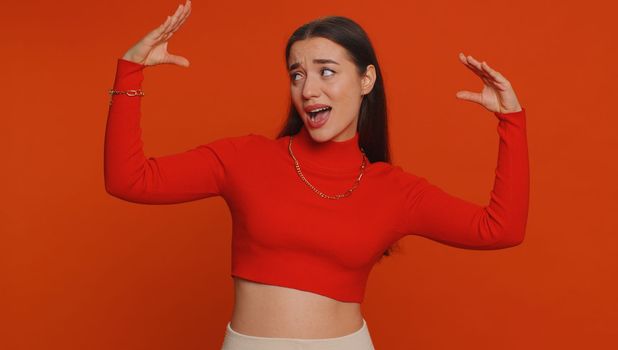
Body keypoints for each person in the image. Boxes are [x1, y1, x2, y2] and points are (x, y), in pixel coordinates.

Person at [104, 0, 529, 349]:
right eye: (297, 74)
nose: (308, 90)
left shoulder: (395, 191)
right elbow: (130, 180)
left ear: (366, 80)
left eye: (327, 71)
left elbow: (500, 229)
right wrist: (130, 70)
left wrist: (511, 119)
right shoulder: (246, 158)